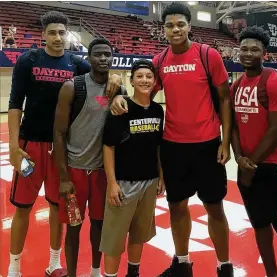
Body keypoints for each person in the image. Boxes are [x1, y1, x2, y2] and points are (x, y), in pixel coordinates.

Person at [110, 2, 234, 277]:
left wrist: (225, 142)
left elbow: (225, 97)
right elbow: (143, 95)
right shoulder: (160, 61)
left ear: (189, 26)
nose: (175, 29)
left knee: (215, 207)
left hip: (208, 144)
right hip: (174, 145)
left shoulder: (207, 55)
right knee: (177, 206)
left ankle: (224, 265)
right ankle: (182, 262)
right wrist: (119, 93)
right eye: (169, 25)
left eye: (180, 24)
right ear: (163, 28)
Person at [7, 11, 121, 277]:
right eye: (52, 33)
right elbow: (14, 105)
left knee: (59, 207)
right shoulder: (28, 60)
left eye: (62, 33)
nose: (58, 38)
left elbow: (100, 75)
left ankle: (54, 263)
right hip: (29, 147)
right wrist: (14, 146)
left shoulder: (76, 64)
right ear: (43, 34)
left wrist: (116, 77)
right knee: (23, 206)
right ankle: (14, 268)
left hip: (61, 151)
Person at [230, 26, 277, 277]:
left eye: (255, 49)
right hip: (247, 169)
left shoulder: (273, 81)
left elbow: (276, 128)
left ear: (264, 53)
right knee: (260, 228)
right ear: (237, 52)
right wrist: (241, 160)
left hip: (274, 167)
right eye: (244, 49)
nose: (248, 53)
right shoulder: (236, 85)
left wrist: (252, 163)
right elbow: (234, 129)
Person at [53, 38, 122, 277]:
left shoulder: (118, 89)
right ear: (89, 58)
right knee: (73, 227)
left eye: (107, 55)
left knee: (99, 225)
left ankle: (94, 272)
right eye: (98, 55)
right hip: (75, 170)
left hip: (103, 172)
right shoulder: (73, 87)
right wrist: (63, 177)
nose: (103, 59)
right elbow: (59, 134)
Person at [99, 59, 165, 277]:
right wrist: (112, 183)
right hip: (124, 183)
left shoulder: (157, 110)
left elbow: (157, 147)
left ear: (155, 81)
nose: (145, 80)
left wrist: (161, 176)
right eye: (140, 76)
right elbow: (108, 147)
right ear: (132, 80)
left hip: (149, 181)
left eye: (149, 76)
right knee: (114, 239)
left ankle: (133, 273)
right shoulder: (121, 108)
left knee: (139, 234)